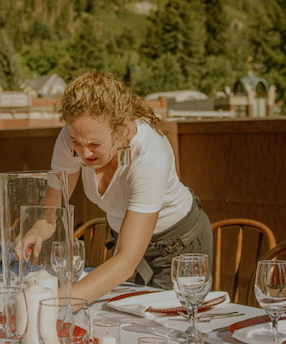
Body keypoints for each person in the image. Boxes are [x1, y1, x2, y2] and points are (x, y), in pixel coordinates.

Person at [39, 71, 212, 301]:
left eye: (95, 144)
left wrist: (55, 303)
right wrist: (40, 226)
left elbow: (125, 262)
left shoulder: (148, 154)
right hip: (124, 246)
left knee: (166, 329)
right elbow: (53, 207)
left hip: (178, 247)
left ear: (122, 128)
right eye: (76, 142)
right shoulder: (74, 136)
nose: (84, 152)